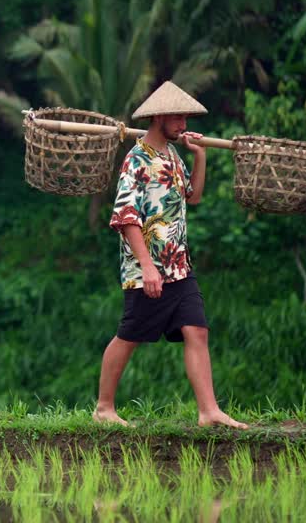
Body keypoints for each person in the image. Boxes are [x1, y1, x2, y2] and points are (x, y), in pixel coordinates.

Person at [92, 81, 246, 429]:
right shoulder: (137, 159)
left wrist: (200, 155)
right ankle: (104, 407)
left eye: (185, 117)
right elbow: (125, 216)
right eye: (176, 117)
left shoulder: (172, 156)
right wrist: (147, 267)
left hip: (179, 266)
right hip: (147, 268)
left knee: (197, 331)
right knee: (130, 335)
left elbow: (192, 196)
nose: (182, 123)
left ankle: (208, 411)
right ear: (158, 117)